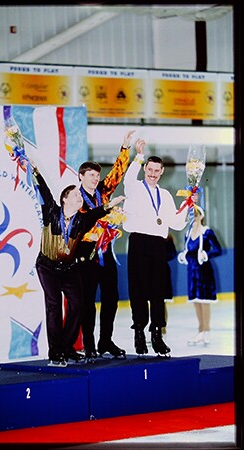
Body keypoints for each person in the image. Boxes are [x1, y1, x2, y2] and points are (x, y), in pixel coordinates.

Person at [28, 160, 126, 367]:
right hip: (47, 266)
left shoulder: (82, 220)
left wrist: (110, 204)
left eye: (80, 197)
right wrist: (35, 170)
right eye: (76, 195)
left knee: (79, 305)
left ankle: (67, 347)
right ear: (65, 198)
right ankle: (56, 351)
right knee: (54, 306)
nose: (80, 198)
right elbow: (43, 189)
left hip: (69, 268)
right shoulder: (51, 211)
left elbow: (96, 213)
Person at [122, 139, 190, 357]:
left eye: (156, 171)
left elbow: (177, 222)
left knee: (158, 290)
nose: (152, 173)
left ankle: (157, 334)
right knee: (139, 290)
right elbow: (128, 177)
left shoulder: (166, 195)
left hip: (158, 244)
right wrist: (139, 155)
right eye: (149, 169)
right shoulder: (134, 187)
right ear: (145, 169)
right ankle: (139, 332)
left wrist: (188, 205)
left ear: (161, 172)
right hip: (139, 242)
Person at [75, 131, 135, 360]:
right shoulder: (76, 198)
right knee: (87, 301)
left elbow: (116, 174)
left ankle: (105, 340)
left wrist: (124, 147)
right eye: (90, 175)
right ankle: (88, 344)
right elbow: (82, 222)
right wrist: (105, 215)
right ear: (81, 176)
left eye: (96, 175)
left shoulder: (103, 192)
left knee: (111, 297)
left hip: (106, 252)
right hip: (85, 254)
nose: (94, 178)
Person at [178, 204, 222, 346]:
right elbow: (188, 250)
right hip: (192, 272)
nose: (193, 218)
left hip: (204, 272)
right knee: (196, 301)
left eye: (195, 215)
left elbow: (218, 250)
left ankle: (206, 331)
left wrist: (206, 254)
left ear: (201, 216)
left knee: (204, 301)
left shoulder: (207, 232)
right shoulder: (187, 234)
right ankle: (200, 331)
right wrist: (184, 256)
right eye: (191, 215)